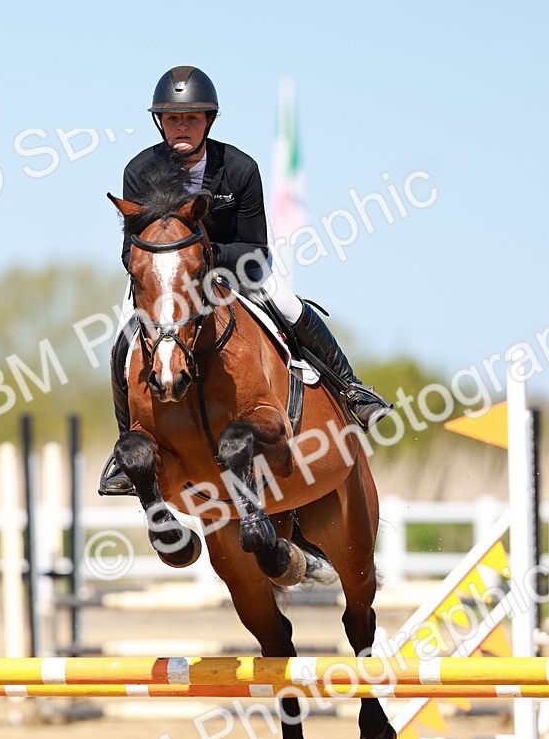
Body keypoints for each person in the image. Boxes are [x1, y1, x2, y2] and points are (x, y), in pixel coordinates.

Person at [99, 66, 391, 496]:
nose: (182, 127)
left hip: (236, 268)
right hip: (165, 279)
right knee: (124, 337)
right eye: (173, 118)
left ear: (208, 122)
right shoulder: (139, 171)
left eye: (192, 118)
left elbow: (256, 249)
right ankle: (126, 450)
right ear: (160, 121)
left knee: (288, 304)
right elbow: (130, 251)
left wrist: (205, 260)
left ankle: (352, 391)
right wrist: (167, 267)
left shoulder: (238, 168)